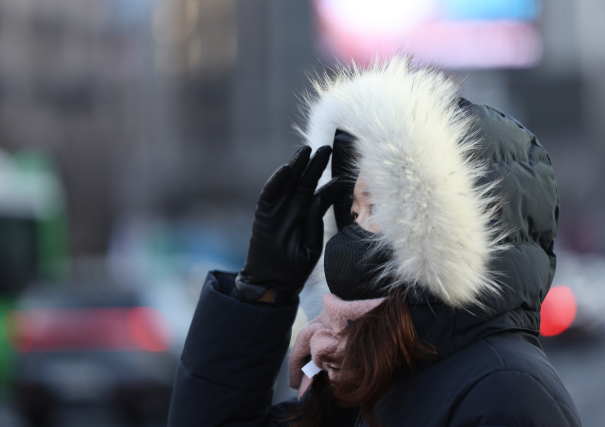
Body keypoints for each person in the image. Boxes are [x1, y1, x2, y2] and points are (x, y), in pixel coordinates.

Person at [167, 55, 581, 427]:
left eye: (375, 207)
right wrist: (262, 288)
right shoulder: (359, 382)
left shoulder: (504, 394)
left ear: (439, 229)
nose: (353, 227)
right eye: (352, 210)